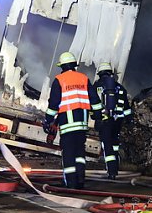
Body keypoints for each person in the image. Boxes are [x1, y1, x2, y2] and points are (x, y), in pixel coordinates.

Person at [44, 52, 102, 189]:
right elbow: (95, 100)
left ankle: (70, 183)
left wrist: (48, 120)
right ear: (74, 65)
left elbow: (53, 104)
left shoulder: (59, 80)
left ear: (62, 66)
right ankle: (80, 180)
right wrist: (98, 116)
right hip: (82, 125)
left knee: (68, 154)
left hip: (68, 126)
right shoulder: (84, 79)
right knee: (79, 154)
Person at [92, 62, 132, 180]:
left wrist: (95, 117)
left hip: (105, 121)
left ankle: (112, 172)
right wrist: (129, 119)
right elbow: (126, 106)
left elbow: (92, 104)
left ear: (100, 73)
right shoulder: (120, 87)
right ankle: (115, 167)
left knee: (107, 146)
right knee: (114, 145)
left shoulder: (97, 86)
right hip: (117, 122)